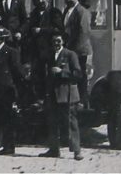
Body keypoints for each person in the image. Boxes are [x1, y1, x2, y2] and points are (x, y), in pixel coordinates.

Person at [40, 31, 84, 161]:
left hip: (68, 94)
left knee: (71, 123)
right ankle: (54, 149)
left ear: (63, 41)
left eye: (58, 41)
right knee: (52, 122)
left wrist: (62, 72)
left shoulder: (71, 55)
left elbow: (78, 74)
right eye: (54, 41)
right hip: (53, 94)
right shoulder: (49, 55)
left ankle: (77, 151)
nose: (56, 43)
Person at [0, 28, 25, 155]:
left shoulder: (11, 52)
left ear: (0, 40)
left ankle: (8, 146)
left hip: (6, 91)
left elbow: (18, 72)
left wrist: (16, 92)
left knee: (7, 119)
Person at [61, 0, 92, 109]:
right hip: (69, 48)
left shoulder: (81, 11)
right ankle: (72, 101)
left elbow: (83, 32)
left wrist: (73, 51)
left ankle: (83, 102)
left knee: (80, 75)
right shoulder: (67, 11)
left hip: (79, 50)